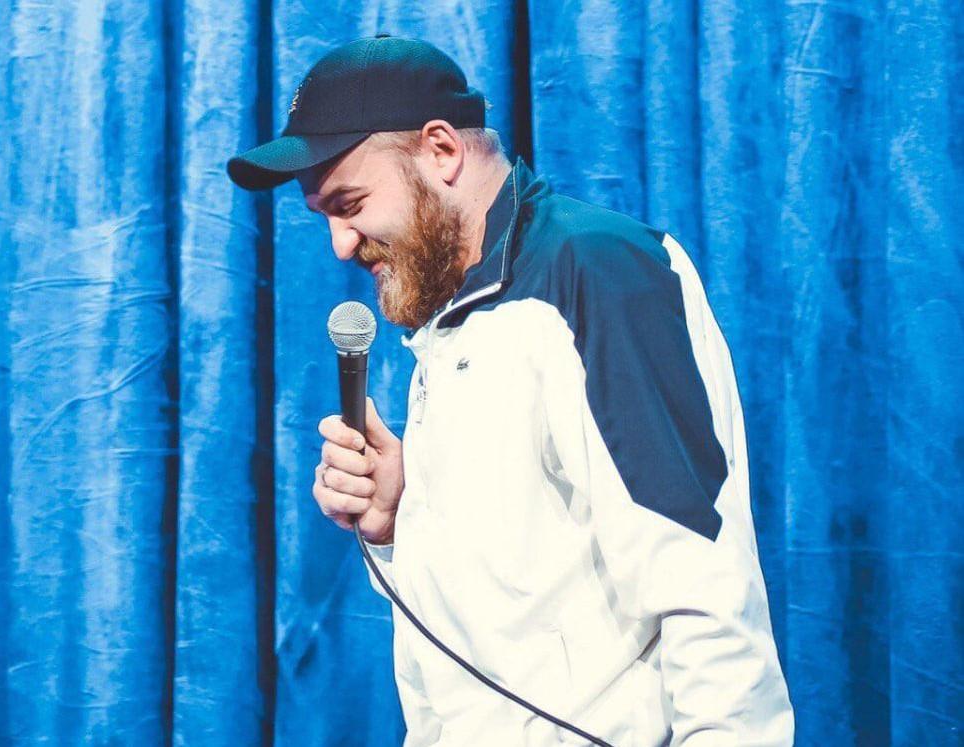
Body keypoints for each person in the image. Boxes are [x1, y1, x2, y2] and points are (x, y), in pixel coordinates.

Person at [227, 33, 794, 747]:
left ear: (441, 150)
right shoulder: (456, 309)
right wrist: (402, 517)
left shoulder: (598, 274)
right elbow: (514, 607)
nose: (340, 244)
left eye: (351, 203)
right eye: (326, 218)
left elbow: (700, 579)